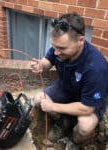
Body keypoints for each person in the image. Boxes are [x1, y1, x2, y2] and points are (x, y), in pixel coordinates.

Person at [30, 13, 108, 149]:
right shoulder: (58, 47)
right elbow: (49, 60)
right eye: (54, 47)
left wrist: (53, 107)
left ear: (81, 40)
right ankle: (62, 122)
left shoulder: (96, 67)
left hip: (88, 101)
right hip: (66, 87)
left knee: (84, 126)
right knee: (38, 99)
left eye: (61, 49)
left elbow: (87, 108)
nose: (56, 52)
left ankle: (75, 141)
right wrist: (41, 65)